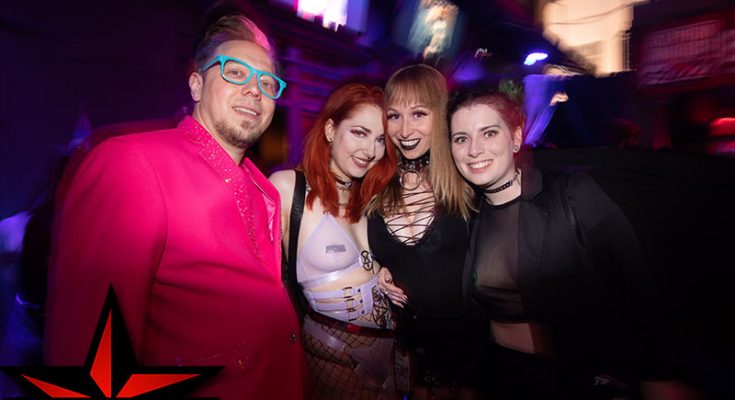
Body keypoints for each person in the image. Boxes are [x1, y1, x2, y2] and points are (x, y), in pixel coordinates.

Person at [44, 14, 306, 400]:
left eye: (267, 83)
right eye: (235, 72)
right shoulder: (131, 164)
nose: (254, 90)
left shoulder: (263, 189)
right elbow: (88, 351)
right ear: (196, 84)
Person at [447, 88, 682, 399]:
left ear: (515, 138)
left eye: (488, 133)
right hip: (501, 377)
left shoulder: (571, 193)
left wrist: (659, 376)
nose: (474, 149)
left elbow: (639, 288)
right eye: (461, 138)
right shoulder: (469, 217)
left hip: (573, 380)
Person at [269, 83, 399, 399]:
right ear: (330, 130)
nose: (370, 150)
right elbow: (259, 281)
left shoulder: (371, 198)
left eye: (380, 139)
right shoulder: (288, 188)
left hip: (392, 352)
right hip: (333, 352)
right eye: (359, 133)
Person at [368, 64, 484, 399]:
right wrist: (375, 269)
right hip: (407, 352)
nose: (404, 130)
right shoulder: (375, 184)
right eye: (394, 116)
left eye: (418, 113)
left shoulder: (468, 181)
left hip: (470, 355)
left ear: (441, 115)